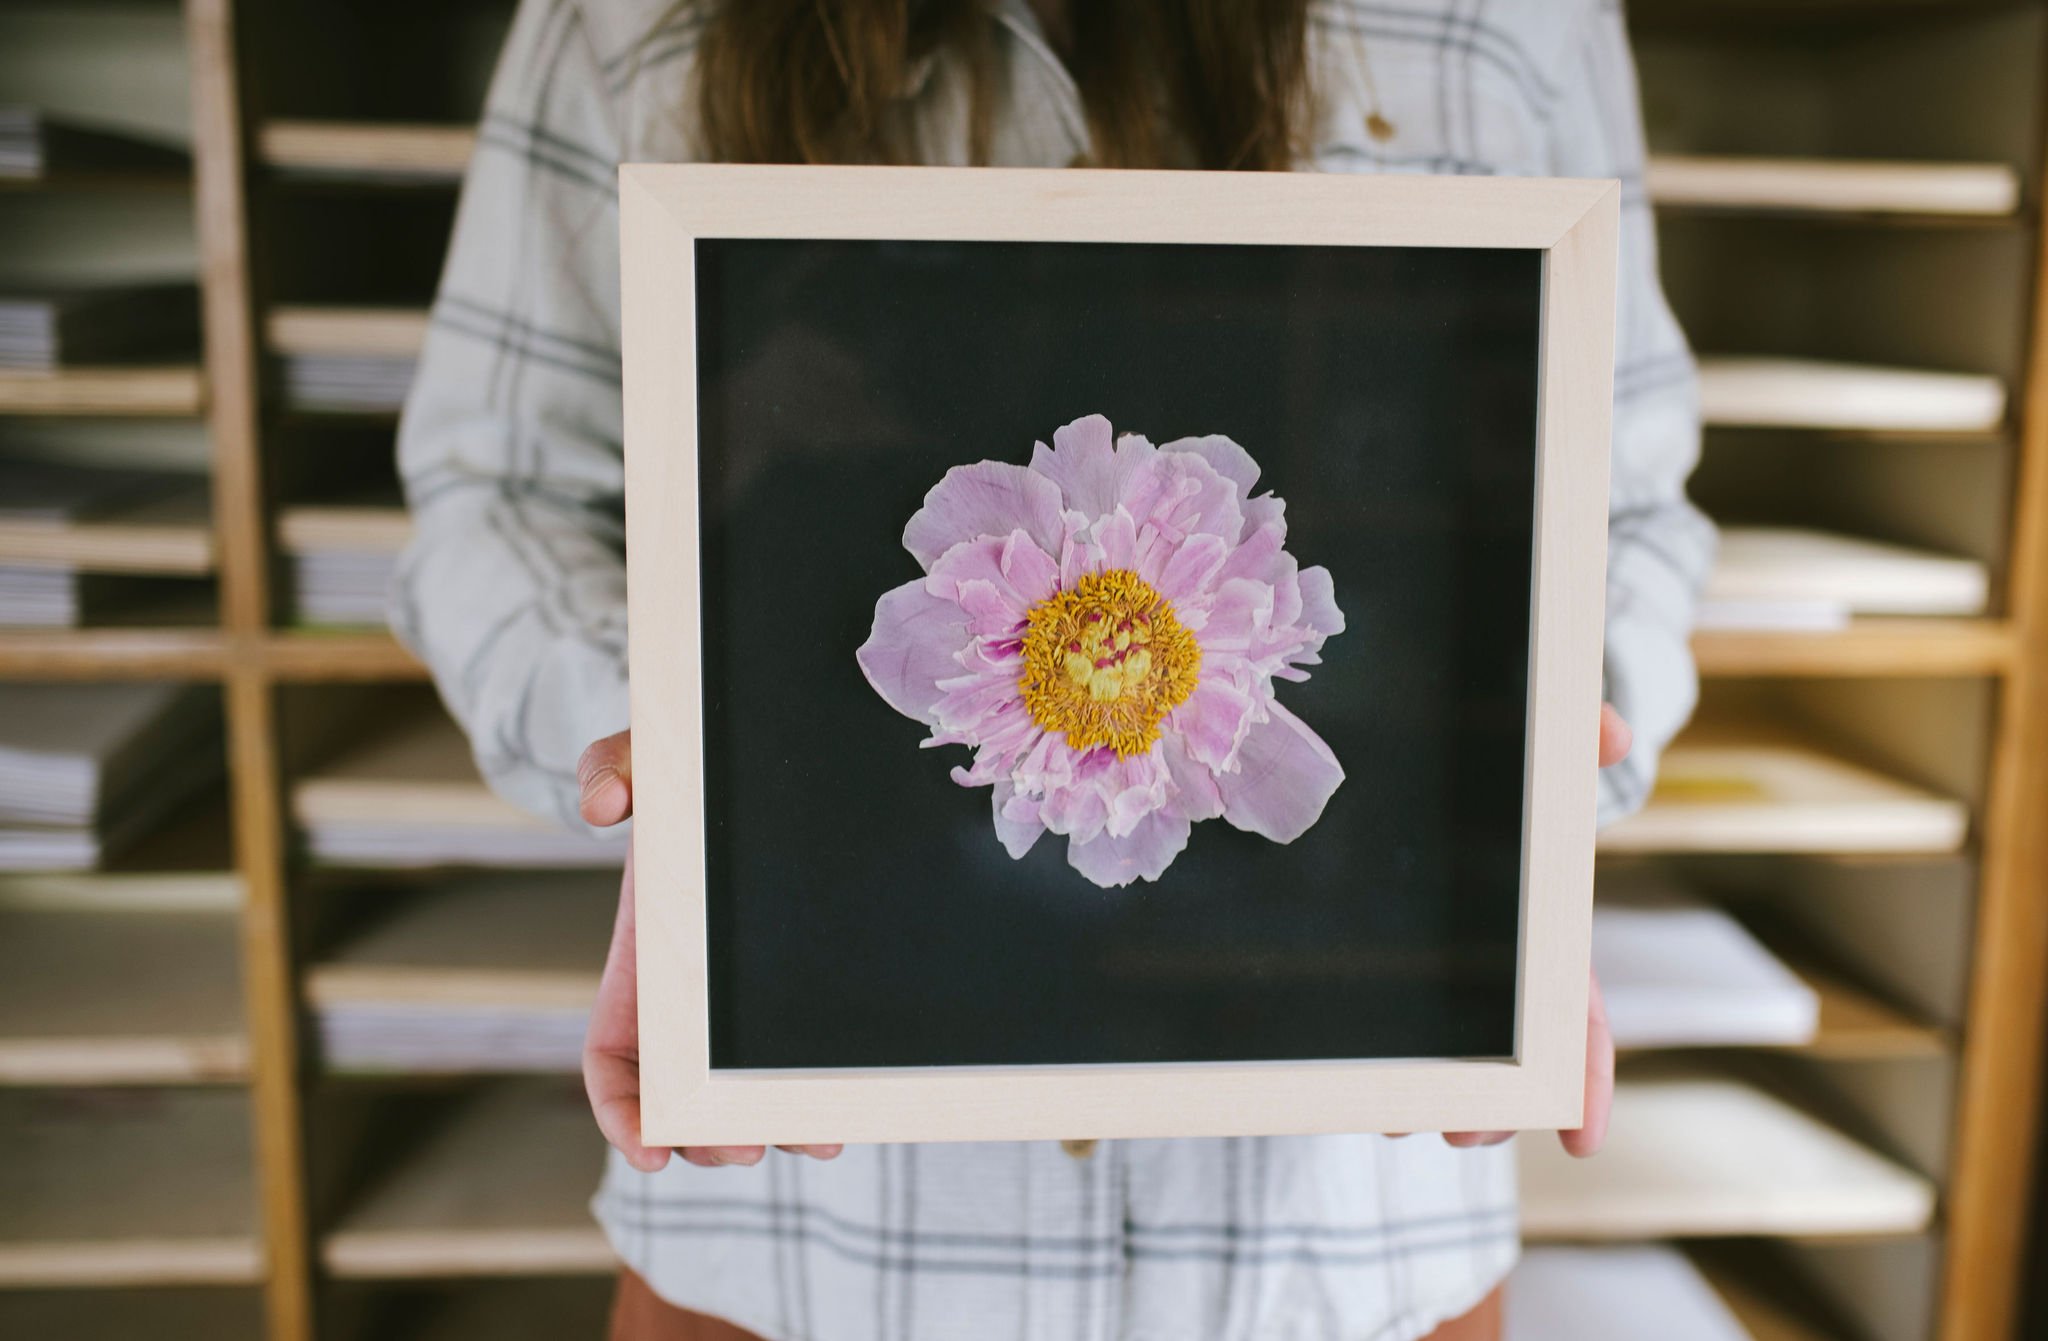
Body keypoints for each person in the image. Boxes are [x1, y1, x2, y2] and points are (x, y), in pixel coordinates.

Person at [393, 0, 1713, 1337]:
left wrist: (1537, 782)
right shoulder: (622, 22)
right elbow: (496, 489)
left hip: (1341, 1263)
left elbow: (1632, 505)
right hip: (798, 1255)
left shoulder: (1515, 16)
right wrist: (657, 746)